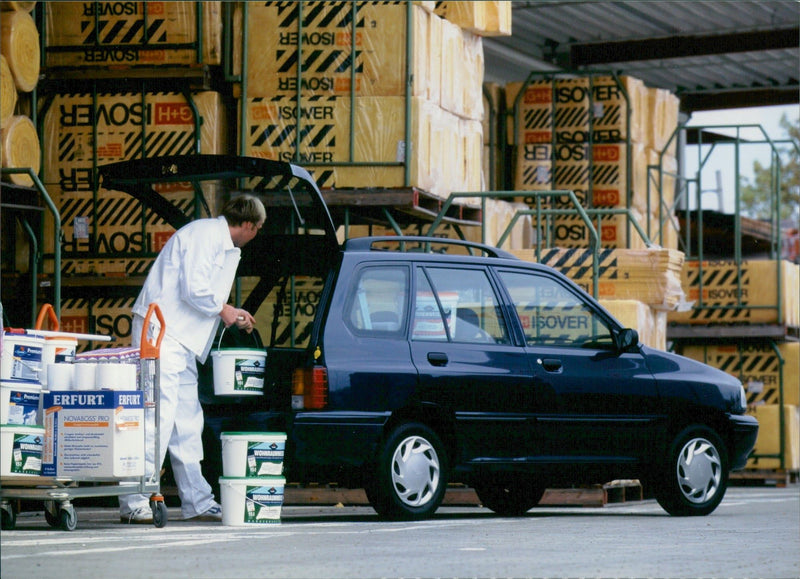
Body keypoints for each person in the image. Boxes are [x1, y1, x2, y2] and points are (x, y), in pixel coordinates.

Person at [120, 194, 266, 524]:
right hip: (162, 333)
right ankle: (135, 500)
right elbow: (195, 288)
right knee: (157, 415)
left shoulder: (219, 243)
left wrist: (230, 311)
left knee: (187, 419)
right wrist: (226, 310)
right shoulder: (204, 236)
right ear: (247, 224)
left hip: (180, 339)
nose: (256, 234)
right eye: (257, 228)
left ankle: (197, 500)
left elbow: (202, 292)